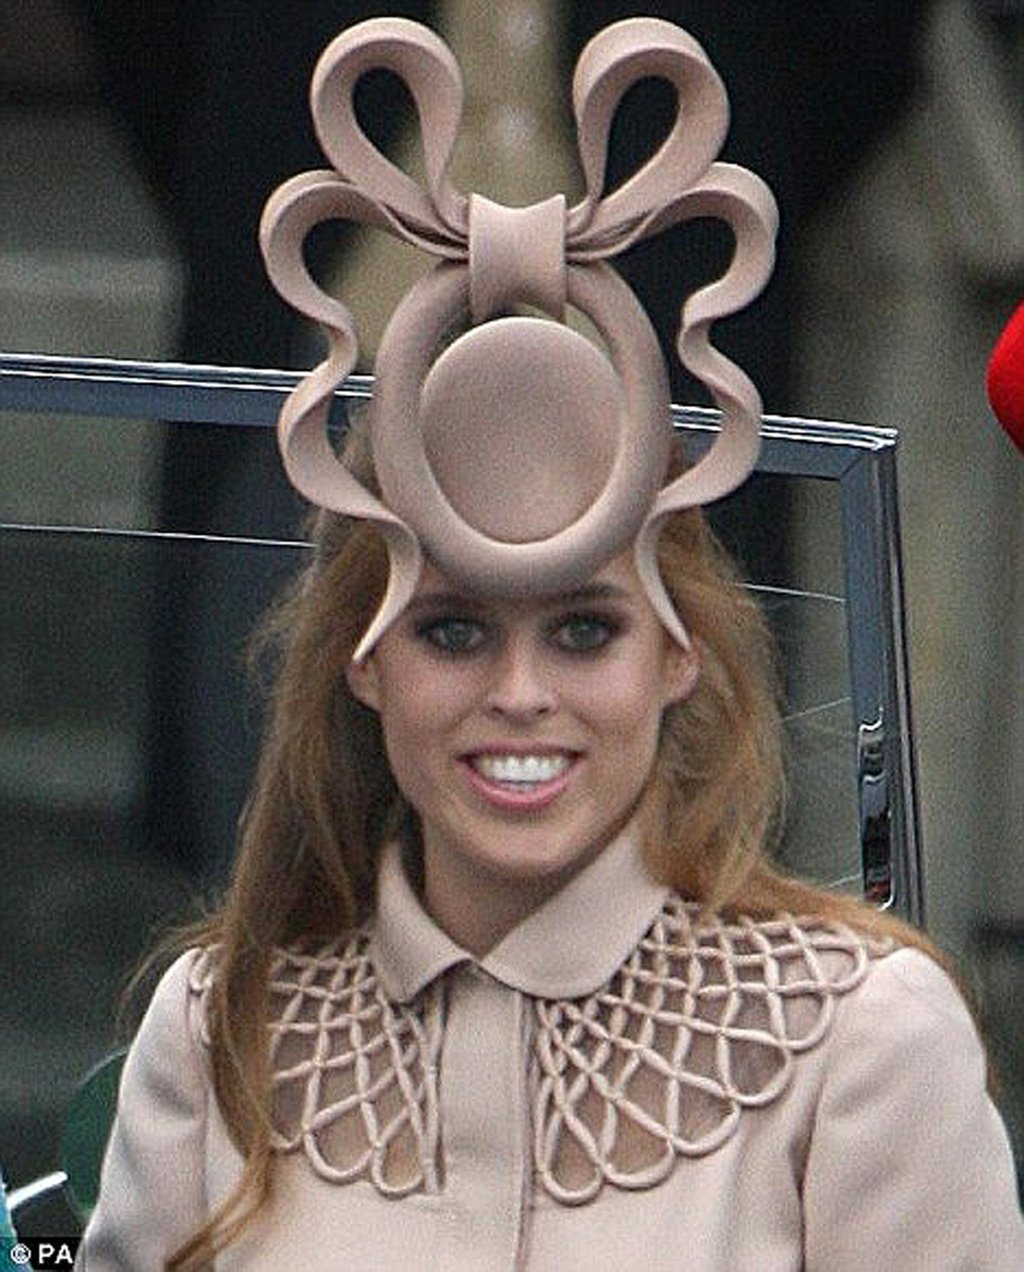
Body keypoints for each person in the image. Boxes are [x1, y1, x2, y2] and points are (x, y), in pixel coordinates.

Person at [79, 16, 1023, 1270]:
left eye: (584, 630)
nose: (519, 694)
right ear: (363, 657)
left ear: (677, 651)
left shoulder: (865, 1041)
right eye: (453, 630)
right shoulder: (216, 1032)